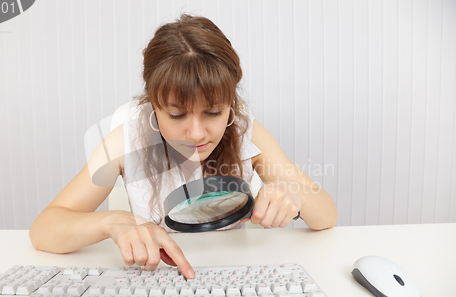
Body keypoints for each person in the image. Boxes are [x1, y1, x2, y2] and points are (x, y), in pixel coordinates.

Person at [29, 14, 338, 280]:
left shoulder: (247, 132)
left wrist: (295, 196)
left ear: (231, 106)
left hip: (230, 275)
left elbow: (327, 216)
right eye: (176, 115)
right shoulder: (124, 141)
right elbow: (43, 230)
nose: (195, 133)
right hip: (155, 279)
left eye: (214, 112)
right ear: (154, 106)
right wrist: (109, 222)